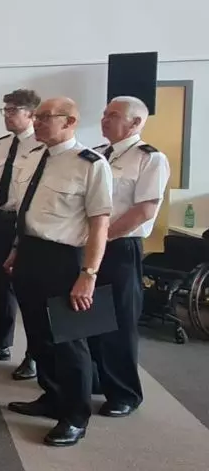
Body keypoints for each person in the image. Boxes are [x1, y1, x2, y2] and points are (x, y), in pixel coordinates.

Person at [5, 97, 112, 447]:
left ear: (70, 121)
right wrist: (17, 250)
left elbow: (99, 225)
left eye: (45, 117)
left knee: (70, 342)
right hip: (31, 253)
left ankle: (75, 416)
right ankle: (51, 396)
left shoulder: (90, 164)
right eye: (36, 117)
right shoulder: (36, 157)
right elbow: (29, 212)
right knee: (38, 336)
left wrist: (89, 273)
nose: (36, 122)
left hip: (65, 258)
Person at [88, 96, 169, 417]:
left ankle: (124, 392)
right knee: (88, 316)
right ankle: (94, 379)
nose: (105, 120)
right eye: (105, 114)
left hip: (120, 247)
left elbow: (143, 210)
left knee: (119, 322)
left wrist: (101, 238)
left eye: (114, 115)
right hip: (89, 246)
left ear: (135, 123)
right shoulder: (96, 154)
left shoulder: (150, 158)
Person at [0, 89, 44, 381]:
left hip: (23, 222)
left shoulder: (42, 146)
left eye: (13, 110)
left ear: (31, 114)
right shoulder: (2, 144)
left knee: (29, 290)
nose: (7, 115)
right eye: (4, 109)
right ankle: (0, 343)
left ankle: (34, 356)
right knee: (1, 286)